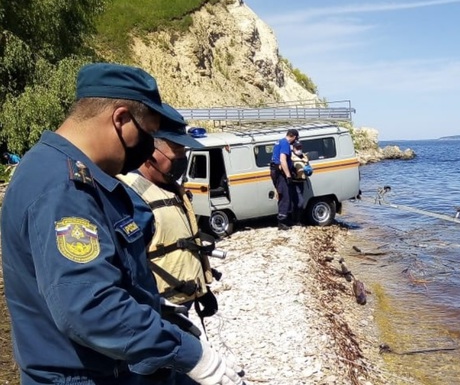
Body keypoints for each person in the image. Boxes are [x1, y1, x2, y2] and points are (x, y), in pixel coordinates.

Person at [0, 62, 242, 385]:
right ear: (121, 119)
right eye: (149, 135)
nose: (148, 148)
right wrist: (189, 353)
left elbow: (106, 274)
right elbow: (89, 307)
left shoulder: (81, 176)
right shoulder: (63, 188)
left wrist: (155, 307)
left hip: (117, 367)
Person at [118, 103, 220, 334]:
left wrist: (202, 291)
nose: (182, 159)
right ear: (149, 152)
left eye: (184, 152)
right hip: (158, 312)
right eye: (177, 152)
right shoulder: (131, 197)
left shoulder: (170, 187)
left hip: (184, 300)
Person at [270, 128, 299, 230]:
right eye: (296, 139)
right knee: (284, 196)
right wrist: (288, 176)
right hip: (280, 173)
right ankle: (282, 222)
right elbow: (283, 160)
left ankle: (286, 219)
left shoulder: (279, 142)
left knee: (287, 194)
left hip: (276, 171)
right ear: (294, 137)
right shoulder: (286, 143)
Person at [289, 141, 312, 224]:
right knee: (298, 202)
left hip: (301, 181)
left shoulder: (304, 157)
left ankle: (298, 220)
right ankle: (295, 220)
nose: (299, 149)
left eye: (300, 148)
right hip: (294, 182)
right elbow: (289, 169)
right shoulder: (290, 157)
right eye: (297, 148)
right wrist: (297, 171)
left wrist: (309, 171)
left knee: (299, 202)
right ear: (293, 148)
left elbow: (308, 167)